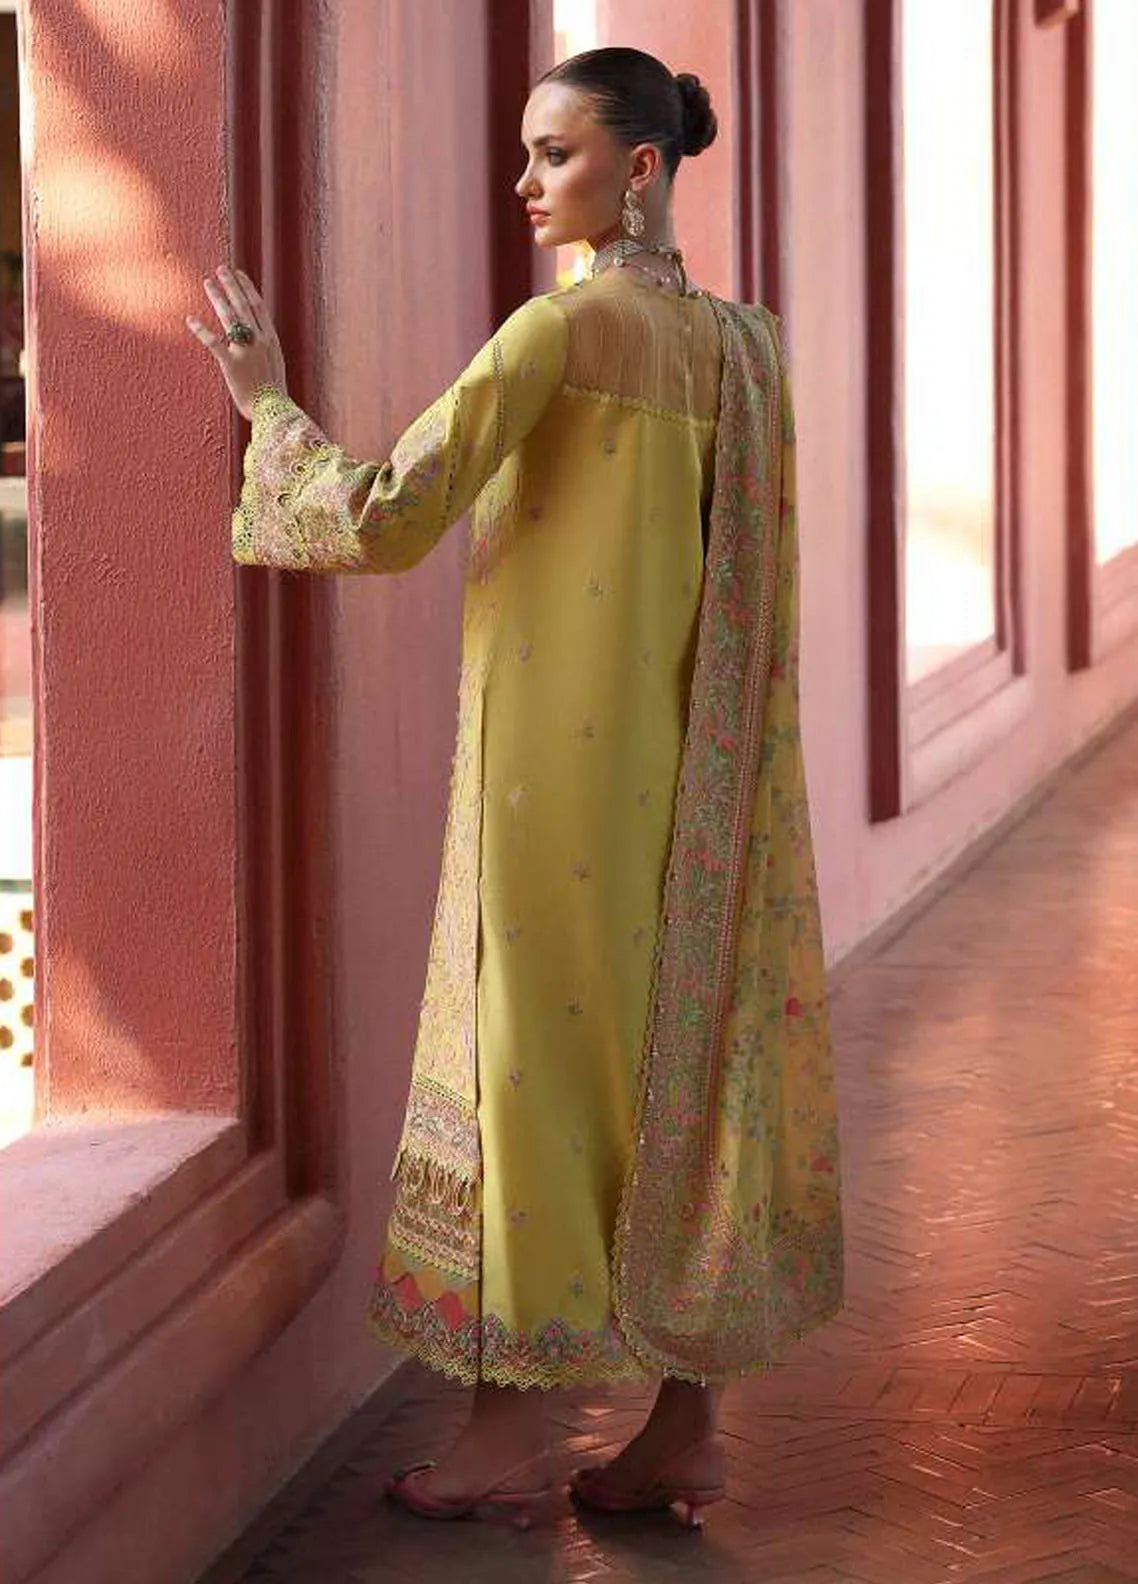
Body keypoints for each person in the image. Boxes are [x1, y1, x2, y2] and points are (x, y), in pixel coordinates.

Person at [186, 46, 843, 1530]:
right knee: (675, 1063)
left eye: (556, 154)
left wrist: (266, 403)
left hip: (553, 782)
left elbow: (385, 515)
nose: (526, 182)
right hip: (697, 783)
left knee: (524, 1067)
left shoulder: (563, 326)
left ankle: (505, 1432)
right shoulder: (742, 350)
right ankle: (679, 1430)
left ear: (640, 168)